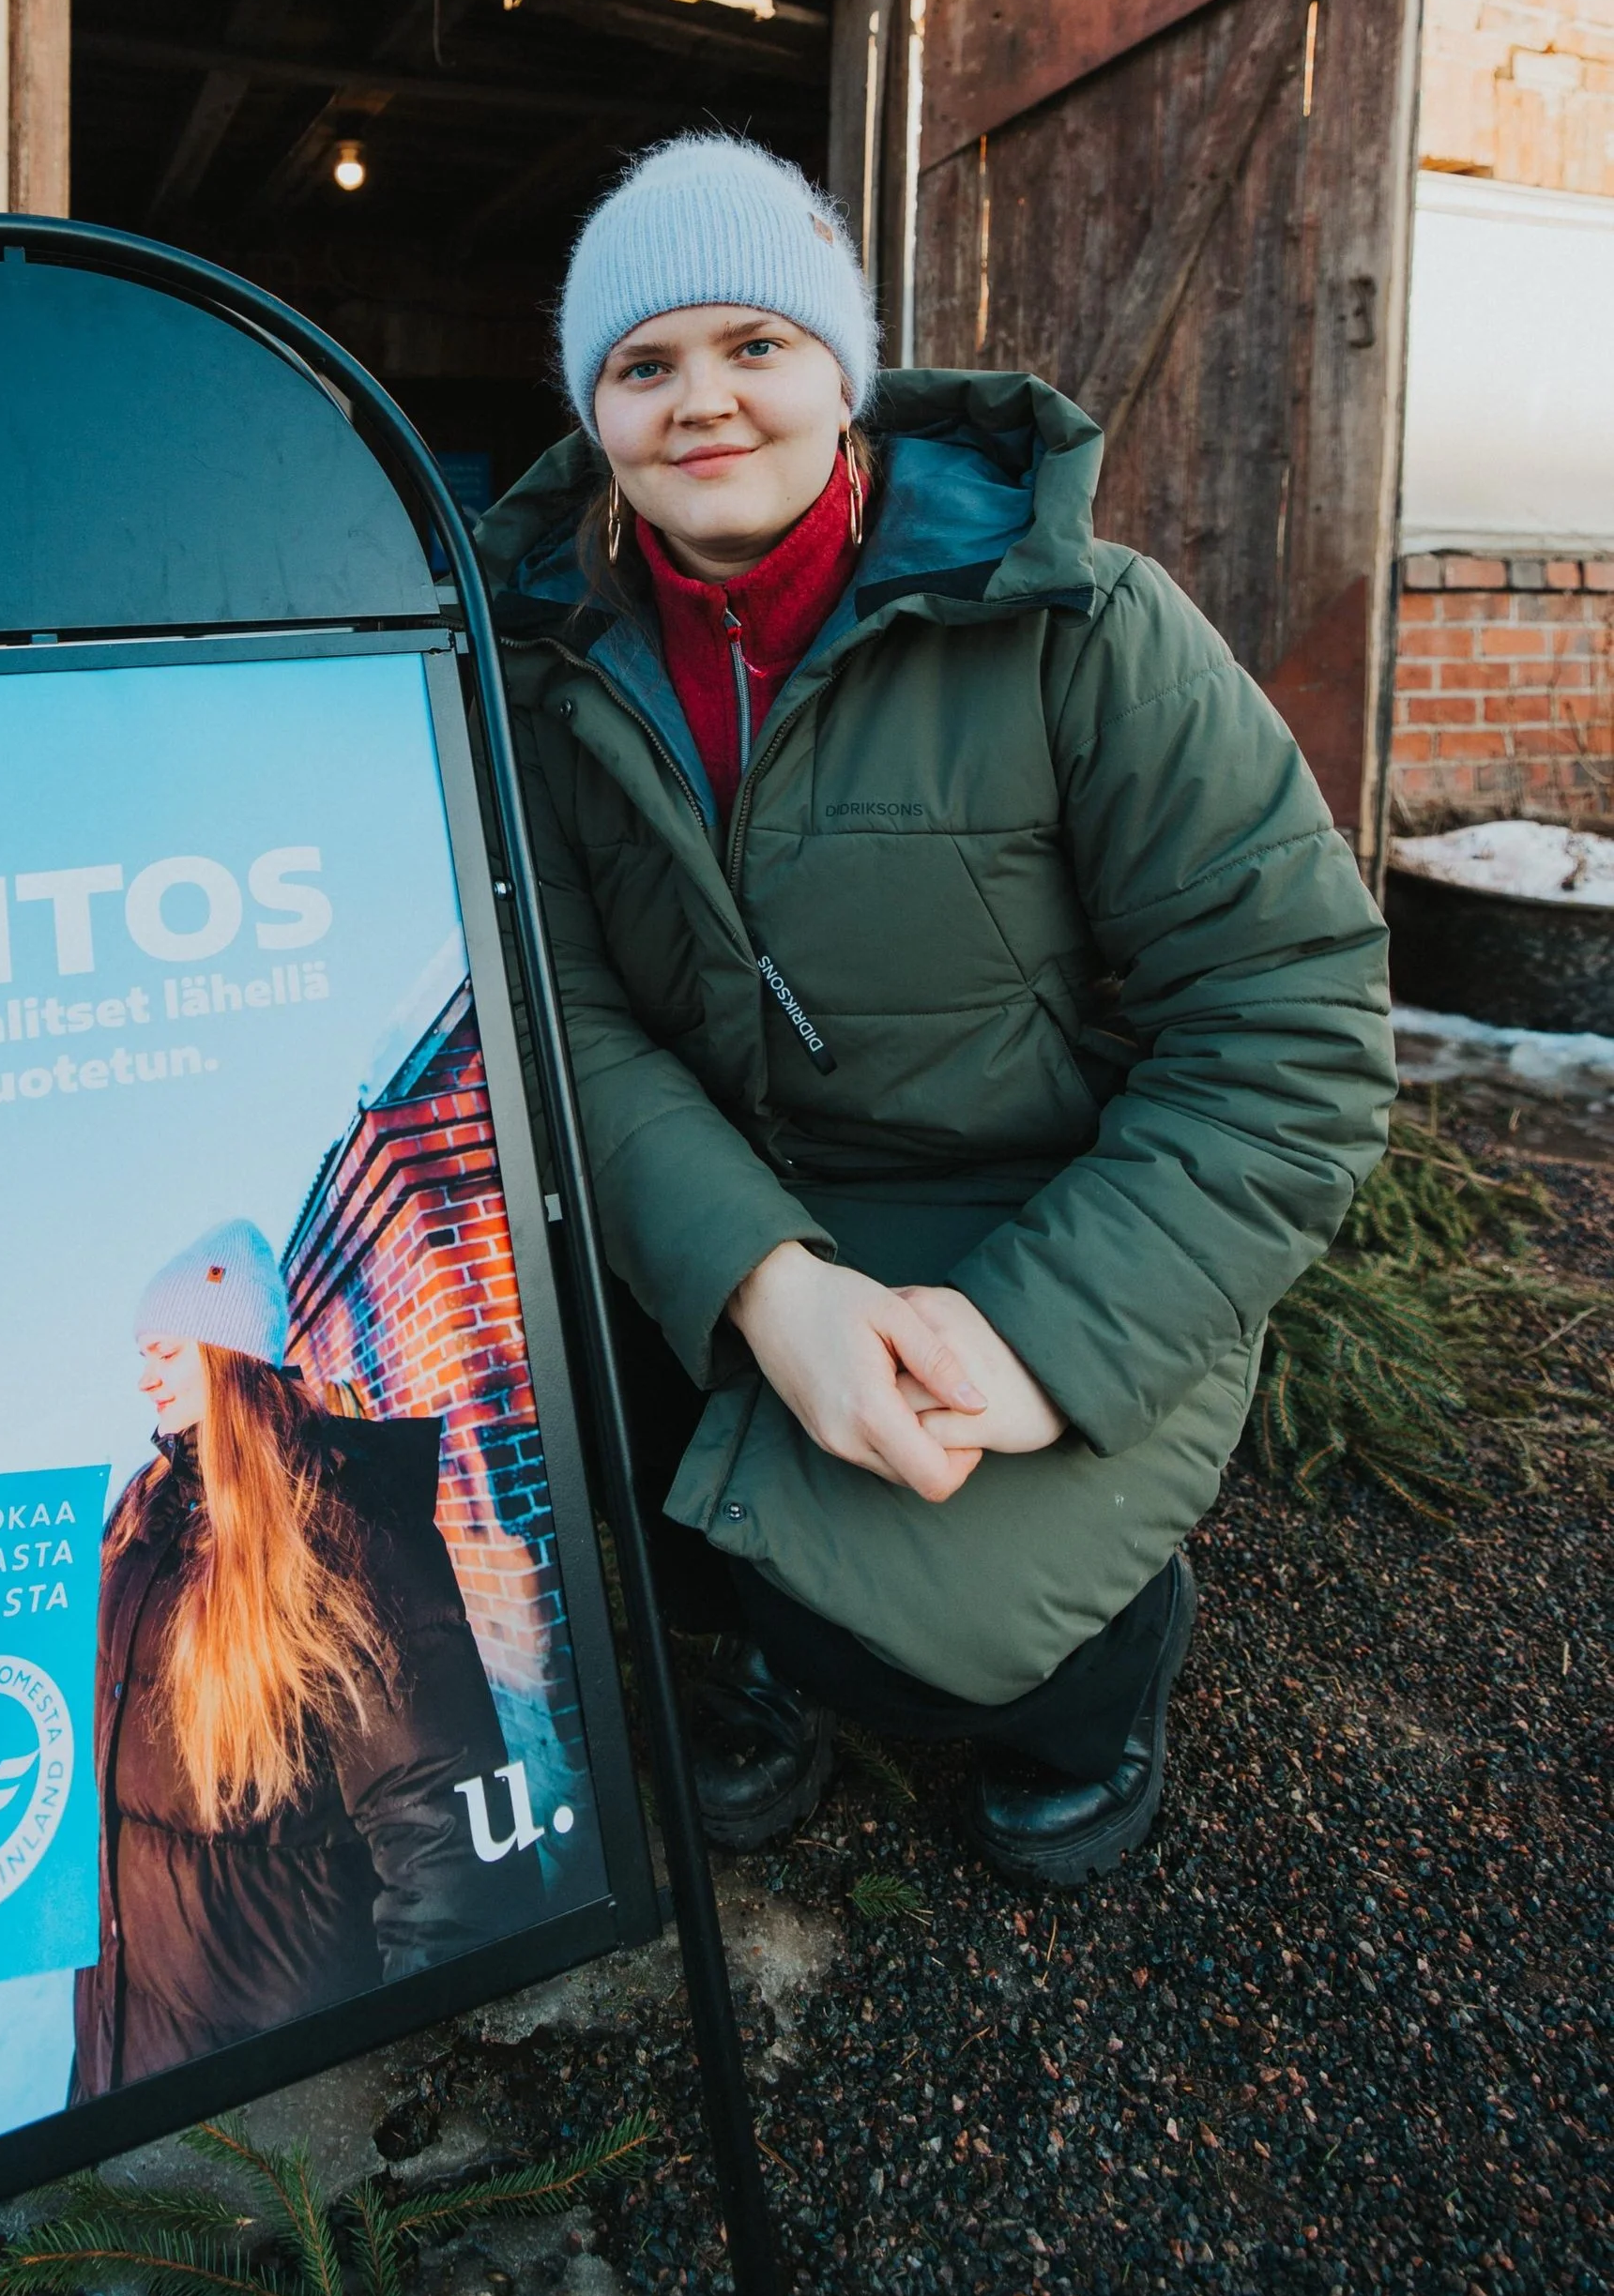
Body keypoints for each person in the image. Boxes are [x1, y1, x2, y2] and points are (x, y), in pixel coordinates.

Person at [477, 132, 1393, 1888]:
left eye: (757, 344)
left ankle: (1094, 1681)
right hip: (738, 1197)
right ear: (594, 410)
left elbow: (1288, 1032)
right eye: (644, 364)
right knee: (569, 1447)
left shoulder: (1083, 629)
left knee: (907, 1619)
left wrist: (1046, 1343)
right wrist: (761, 1277)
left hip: (1025, 1214)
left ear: (847, 370)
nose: (705, 401)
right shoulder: (551, 669)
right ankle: (751, 1627)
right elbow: (568, 1016)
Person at [68, 1222, 539, 2095]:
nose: (143, 1376)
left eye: (165, 1350)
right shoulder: (144, 1519)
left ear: (227, 1353)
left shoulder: (335, 1526)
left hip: (285, 2082)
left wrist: (405, 2079)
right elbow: (88, 1709)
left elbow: (439, 1835)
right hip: (124, 2050)